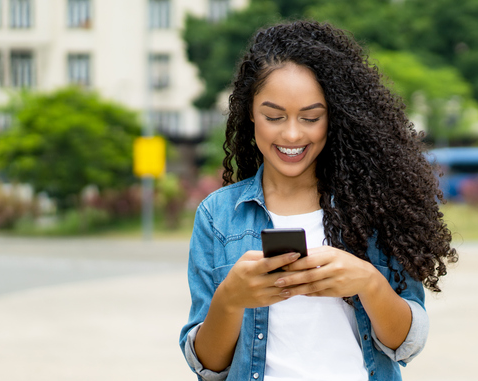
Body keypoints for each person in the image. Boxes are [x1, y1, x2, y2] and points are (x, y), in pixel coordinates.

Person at [179, 20, 458, 381]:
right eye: (273, 116)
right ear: (250, 113)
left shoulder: (372, 206)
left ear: (335, 116)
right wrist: (230, 298)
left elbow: (406, 344)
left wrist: (368, 282)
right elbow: (209, 367)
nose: (292, 133)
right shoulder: (218, 216)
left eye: (311, 117)